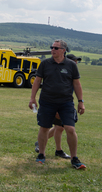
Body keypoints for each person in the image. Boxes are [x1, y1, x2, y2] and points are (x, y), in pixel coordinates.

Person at [29, 40, 86, 169]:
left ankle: (74, 159)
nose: (52, 49)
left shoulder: (71, 65)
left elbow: (77, 84)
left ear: (63, 50)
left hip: (66, 102)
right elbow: (37, 81)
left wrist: (81, 102)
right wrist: (32, 98)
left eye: (56, 48)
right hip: (47, 101)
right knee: (44, 127)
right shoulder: (45, 64)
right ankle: (41, 155)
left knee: (70, 129)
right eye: (52, 47)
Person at [33, 53, 82, 159]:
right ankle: (51, 148)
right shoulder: (57, 70)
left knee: (60, 128)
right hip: (54, 103)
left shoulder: (71, 71)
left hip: (65, 103)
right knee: (57, 127)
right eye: (74, 61)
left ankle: (57, 149)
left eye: (77, 61)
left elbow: (75, 86)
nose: (76, 63)